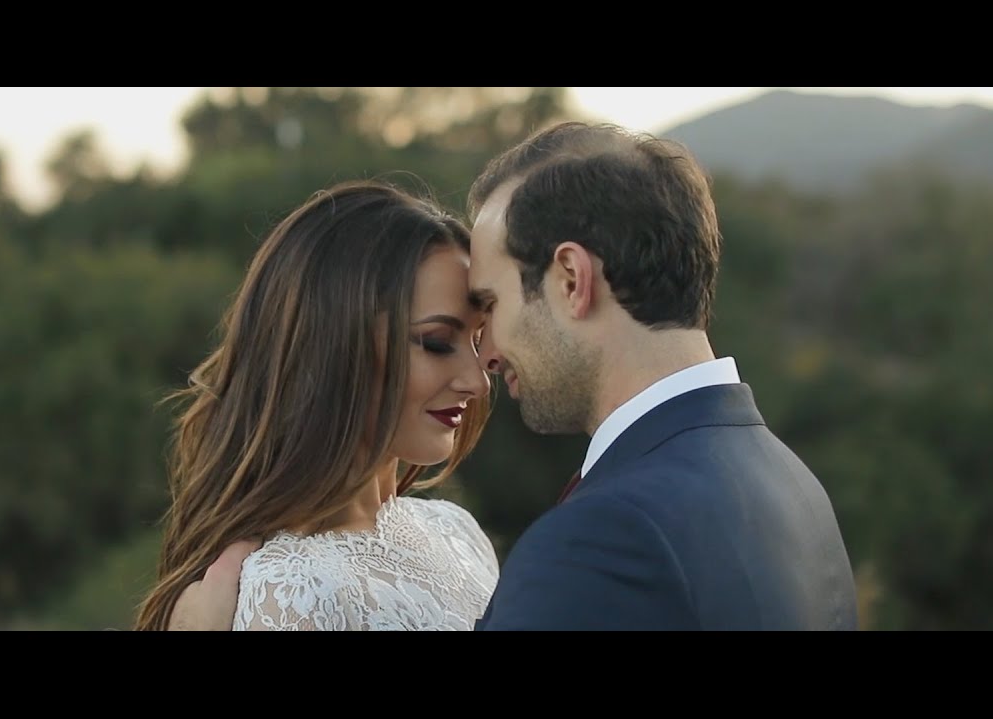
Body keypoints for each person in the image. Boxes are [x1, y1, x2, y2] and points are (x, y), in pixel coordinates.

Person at [170, 121, 859, 630]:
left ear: (571, 280)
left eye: (488, 316)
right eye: (440, 341)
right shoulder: (791, 486)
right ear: (335, 346)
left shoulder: (568, 538)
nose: (484, 371)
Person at [134, 179, 498, 631]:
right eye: (438, 342)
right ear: (334, 347)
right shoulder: (290, 592)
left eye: (478, 341)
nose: (477, 382)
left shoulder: (459, 535)